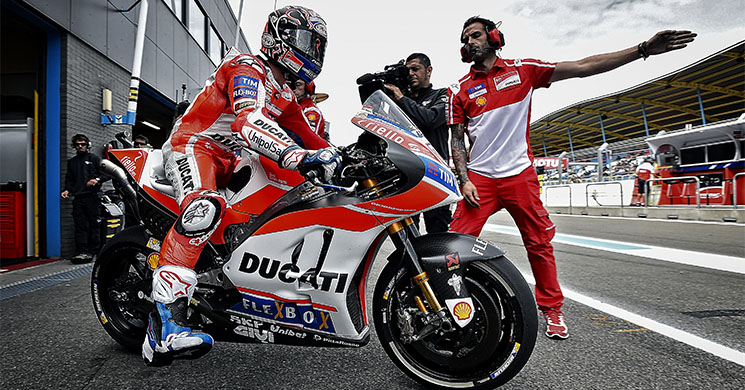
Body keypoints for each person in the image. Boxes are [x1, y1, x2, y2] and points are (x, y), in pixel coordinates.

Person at [447, 15, 696, 339]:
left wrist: (642, 49)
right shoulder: (459, 91)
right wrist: (464, 178)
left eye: (476, 35)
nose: (470, 42)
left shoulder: (524, 70)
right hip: (479, 178)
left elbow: (582, 66)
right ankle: (452, 300)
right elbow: (456, 140)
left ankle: (552, 310)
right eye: (466, 38)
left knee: (539, 243)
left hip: (519, 176)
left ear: (494, 37)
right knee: (453, 245)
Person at [142, 5, 340, 366]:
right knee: (205, 209)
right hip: (195, 146)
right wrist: (297, 156)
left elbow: (310, 138)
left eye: (317, 45)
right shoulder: (246, 66)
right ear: (278, 37)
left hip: (233, 158)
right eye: (306, 42)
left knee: (293, 195)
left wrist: (344, 158)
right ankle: (165, 324)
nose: (312, 52)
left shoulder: (285, 94)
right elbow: (247, 119)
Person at [384, 53, 451, 233]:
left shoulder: (442, 94)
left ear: (428, 70)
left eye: (415, 68)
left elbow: (431, 119)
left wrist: (401, 98)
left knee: (438, 235)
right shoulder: (399, 100)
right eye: (408, 70)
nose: (411, 73)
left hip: (436, 176)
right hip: (409, 175)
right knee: (407, 236)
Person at [61, 134, 104, 263]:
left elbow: (106, 174)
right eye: (77, 144)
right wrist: (67, 190)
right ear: (74, 146)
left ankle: (95, 251)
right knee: (80, 225)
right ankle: (82, 251)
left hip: (92, 197)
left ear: (88, 145)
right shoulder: (72, 162)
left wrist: (97, 180)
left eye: (83, 144)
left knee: (94, 225)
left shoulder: (95, 159)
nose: (80, 146)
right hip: (78, 198)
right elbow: (69, 179)